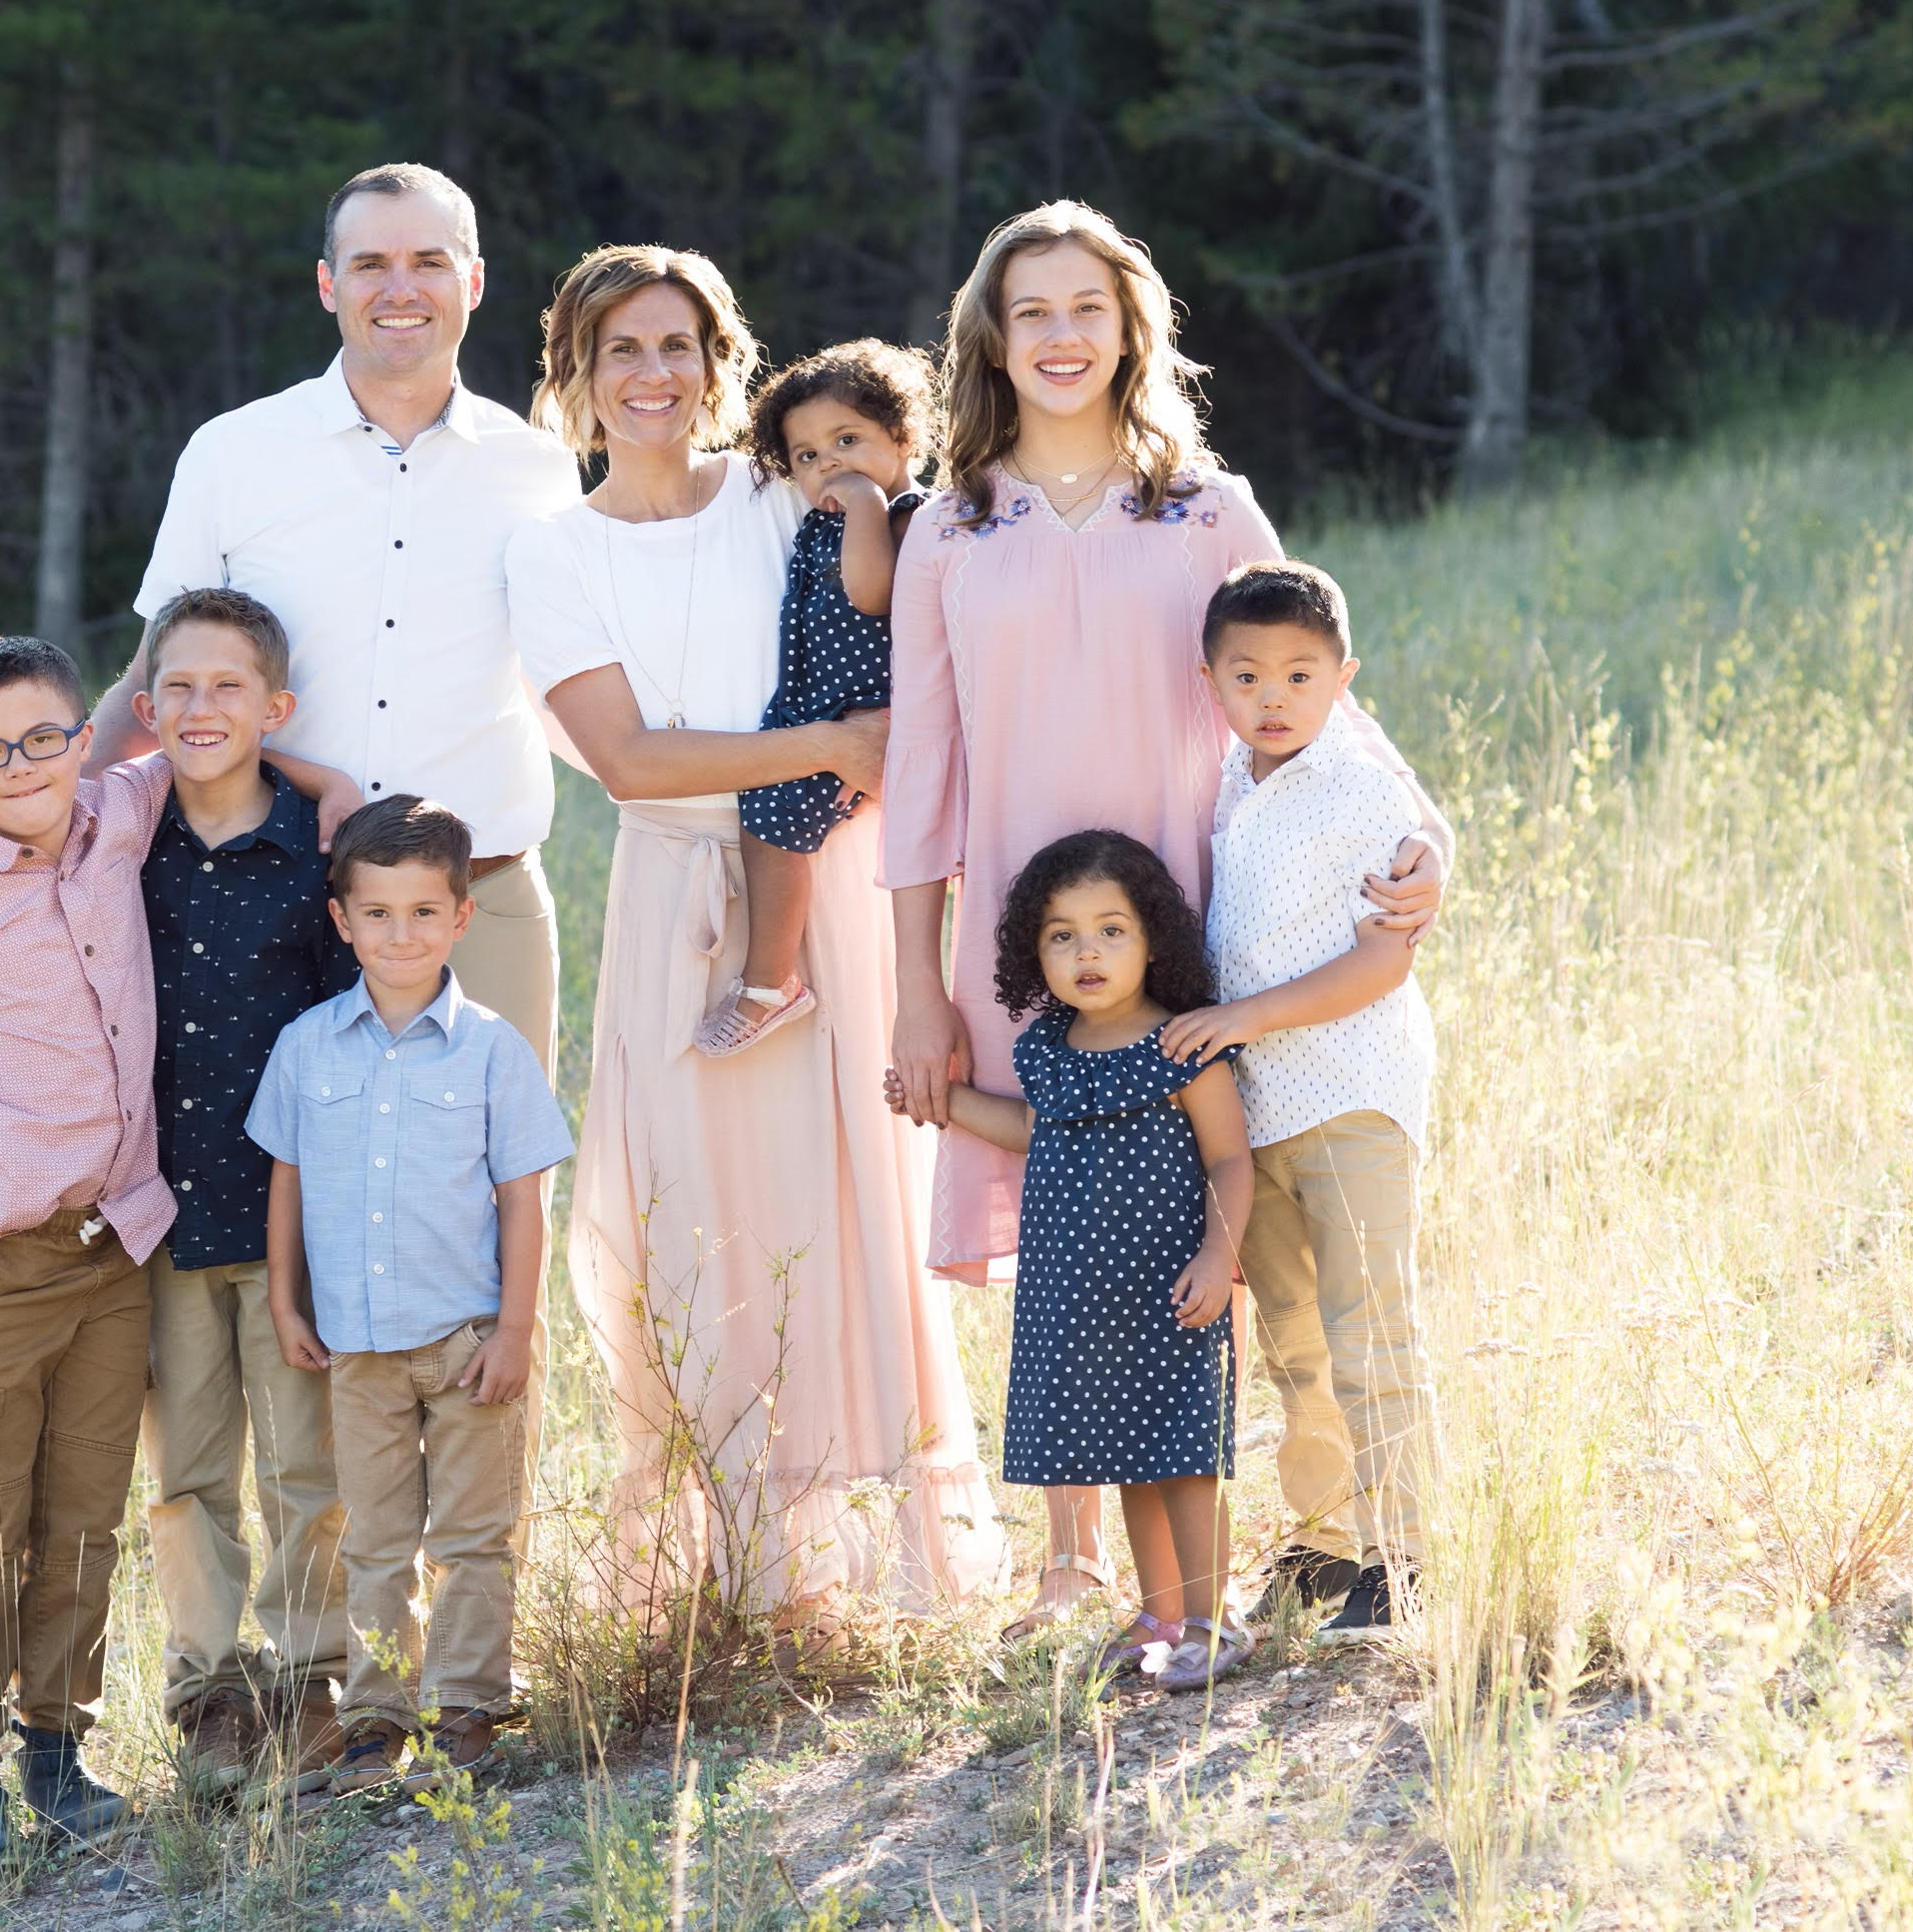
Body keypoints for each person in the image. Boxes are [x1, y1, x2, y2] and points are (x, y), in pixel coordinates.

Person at [879, 200, 1447, 1636]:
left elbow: (1306, 693)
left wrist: (1424, 842)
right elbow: (922, 770)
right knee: (1057, 1228)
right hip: (1020, 933)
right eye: (1031, 313)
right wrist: (912, 984)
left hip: (1191, 932)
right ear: (989, 343)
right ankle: (1074, 1562)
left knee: (1221, 1240)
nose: (1060, 336)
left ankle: (1295, 1544)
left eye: (1086, 307)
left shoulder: (1201, 506)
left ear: (1130, 326)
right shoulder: (948, 525)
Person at [0, 635, 349, 1865]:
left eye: (44, 736)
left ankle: (55, 1746)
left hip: (110, 1251)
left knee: (86, 1515)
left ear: (86, 736)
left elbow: (212, 741)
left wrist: (333, 792)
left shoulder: (117, 810)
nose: (22, 764)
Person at [504, 246, 1006, 1618]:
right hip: (677, 889)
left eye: (677, 346)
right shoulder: (550, 550)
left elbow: (907, 573)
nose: (652, 375)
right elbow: (627, 759)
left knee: (850, 1199)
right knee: (680, 1211)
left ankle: (888, 1559)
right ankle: (730, 1571)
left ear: (720, 362)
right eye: (620, 351)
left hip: (834, 874)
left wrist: (863, 748)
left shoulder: (782, 490)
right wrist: (832, 737)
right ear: (577, 377)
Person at [99, 162, 584, 1069]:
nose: (401, 290)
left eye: (430, 262)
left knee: (495, 1189)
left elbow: (569, 688)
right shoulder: (233, 453)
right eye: (370, 265)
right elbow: (153, 681)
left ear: (473, 282)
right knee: (273, 1198)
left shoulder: (541, 470)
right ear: (329, 286)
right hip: (269, 890)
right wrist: (41, 822)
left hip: (483, 896)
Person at [255, 797, 578, 1795]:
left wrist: (516, 1330)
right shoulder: (308, 1045)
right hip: (357, 1346)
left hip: (468, 1336)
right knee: (377, 1538)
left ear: (460, 918)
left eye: (424, 912)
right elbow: (287, 1180)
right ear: (342, 919)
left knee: (476, 1535)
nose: (402, 934)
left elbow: (522, 1204)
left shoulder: (491, 1050)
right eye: (379, 913)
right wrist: (282, 1299)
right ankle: (374, 1719)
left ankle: (467, 1706)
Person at [892, 830, 1255, 1693]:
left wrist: (1218, 1257)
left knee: (1183, 1453)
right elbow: (1036, 1137)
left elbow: (1233, 1161)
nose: (1086, 952)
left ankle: (1214, 1618)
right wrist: (943, 1105)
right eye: (1061, 935)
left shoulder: (1182, 1045)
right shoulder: (1049, 1051)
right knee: (1125, 1452)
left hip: (1168, 1285)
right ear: (1034, 952)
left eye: (1110, 930)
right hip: (1077, 1294)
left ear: (1154, 936)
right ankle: (1160, 1612)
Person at [1158, 560, 1439, 1643]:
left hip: (1353, 1090)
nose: (1271, 696)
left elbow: (1383, 964)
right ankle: (1327, 1540)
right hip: (1258, 1111)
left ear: (1342, 677)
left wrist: (1245, 1019)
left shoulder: (1362, 788)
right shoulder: (1227, 779)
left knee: (1370, 1320)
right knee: (1289, 1336)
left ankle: (1401, 1552)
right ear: (1210, 683)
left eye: (1297, 673)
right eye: (1245, 676)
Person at [130, 588, 362, 1792]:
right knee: (184, 1471)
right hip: (157, 1217)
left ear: (273, 709)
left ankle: (313, 1673)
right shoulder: (114, 840)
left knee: (304, 1466)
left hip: (290, 1220)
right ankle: (210, 1688)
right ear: (144, 705)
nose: (200, 707)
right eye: (177, 685)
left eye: (228, 687)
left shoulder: (317, 849)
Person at [698, 340, 935, 1058]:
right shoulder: (825, 520)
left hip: (860, 711)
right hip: (814, 703)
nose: (828, 464)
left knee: (769, 817)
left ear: (903, 441)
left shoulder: (906, 515)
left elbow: (873, 594)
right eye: (806, 457)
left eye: (848, 441)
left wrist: (863, 500)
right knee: (763, 815)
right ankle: (771, 975)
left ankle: (769, 982)